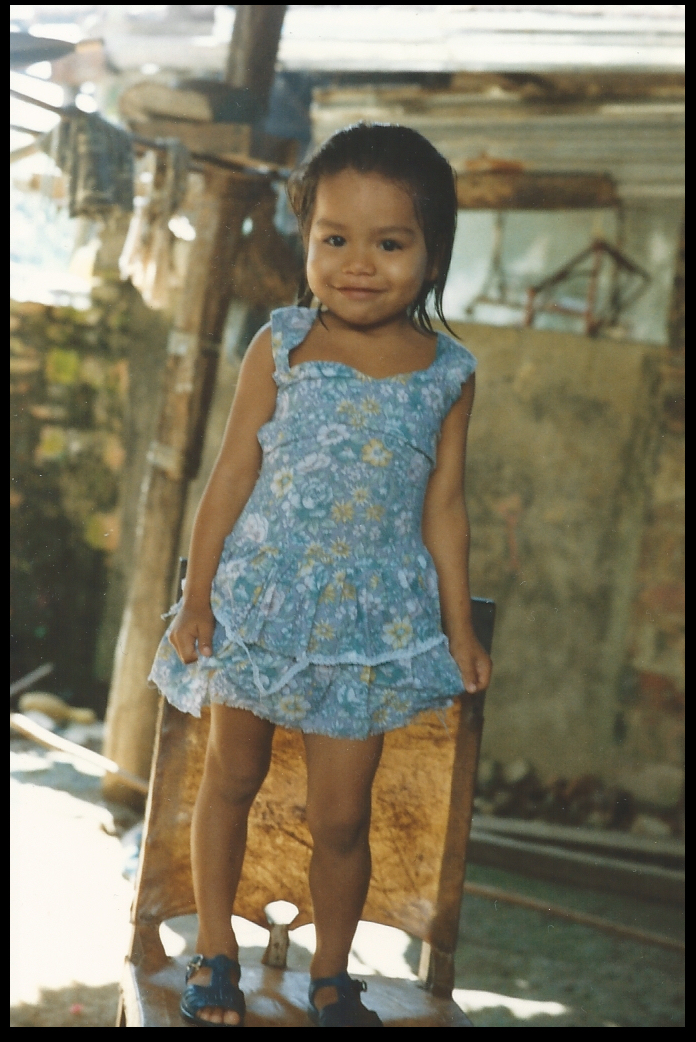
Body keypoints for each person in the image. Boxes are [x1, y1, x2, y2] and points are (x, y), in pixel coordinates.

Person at [149, 122, 493, 1027]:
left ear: (432, 251)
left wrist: (458, 627)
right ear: (306, 239)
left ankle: (334, 975)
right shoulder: (281, 345)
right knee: (231, 776)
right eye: (334, 237)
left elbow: (445, 508)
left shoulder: (448, 374)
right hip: (261, 605)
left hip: (367, 630)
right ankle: (213, 949)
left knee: (342, 816)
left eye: (390, 242)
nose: (358, 263)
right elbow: (230, 475)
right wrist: (196, 593)